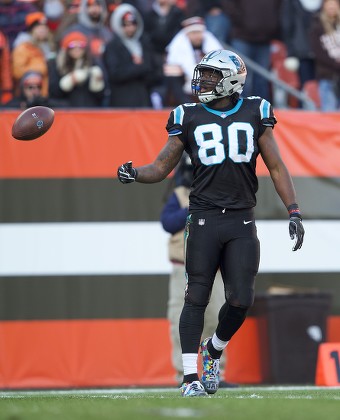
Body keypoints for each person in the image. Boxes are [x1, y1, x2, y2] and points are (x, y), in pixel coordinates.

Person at [117, 49, 305, 397]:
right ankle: (190, 378)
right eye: (202, 73)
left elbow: (277, 166)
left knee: (240, 299)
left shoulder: (255, 110)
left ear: (232, 79)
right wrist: (135, 173)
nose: (202, 80)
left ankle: (213, 350)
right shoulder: (187, 115)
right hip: (202, 218)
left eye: (211, 75)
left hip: (241, 218)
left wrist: (293, 210)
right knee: (196, 298)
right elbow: (160, 167)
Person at [161, 153, 231, 387]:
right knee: (180, 319)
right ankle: (184, 374)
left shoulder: (222, 194)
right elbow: (168, 223)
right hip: (184, 268)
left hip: (215, 268)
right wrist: (194, 206)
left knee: (217, 318)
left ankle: (215, 373)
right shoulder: (180, 195)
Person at [103, 3, 163, 107]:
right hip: (122, 101)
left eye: (133, 24)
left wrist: (140, 70)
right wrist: (138, 68)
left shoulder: (144, 44)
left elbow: (156, 72)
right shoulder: (112, 47)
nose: (130, 28)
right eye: (125, 24)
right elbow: (114, 74)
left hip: (144, 99)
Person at [225, 0, 282, 101]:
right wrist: (242, 21)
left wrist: (273, 25)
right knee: (241, 78)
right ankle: (239, 110)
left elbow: (280, 7)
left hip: (266, 38)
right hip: (242, 36)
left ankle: (261, 111)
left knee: (262, 80)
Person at [164, 16, 223, 105]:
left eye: (198, 32)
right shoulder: (178, 46)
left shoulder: (211, 44)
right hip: (187, 83)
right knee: (172, 69)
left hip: (209, 83)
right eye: (193, 33)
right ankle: (186, 105)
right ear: (187, 34)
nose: (196, 36)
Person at [48, 31, 105, 107]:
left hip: (90, 109)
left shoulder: (93, 64)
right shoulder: (58, 65)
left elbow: (102, 94)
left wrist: (98, 83)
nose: (77, 49)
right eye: (72, 46)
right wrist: (70, 81)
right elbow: (54, 92)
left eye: (81, 45)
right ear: (66, 48)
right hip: (67, 110)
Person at [310, 0, 340, 111]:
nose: (331, 7)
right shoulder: (317, 26)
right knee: (329, 113)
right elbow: (318, 53)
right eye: (329, 4)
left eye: (334, 4)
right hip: (327, 76)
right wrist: (335, 64)